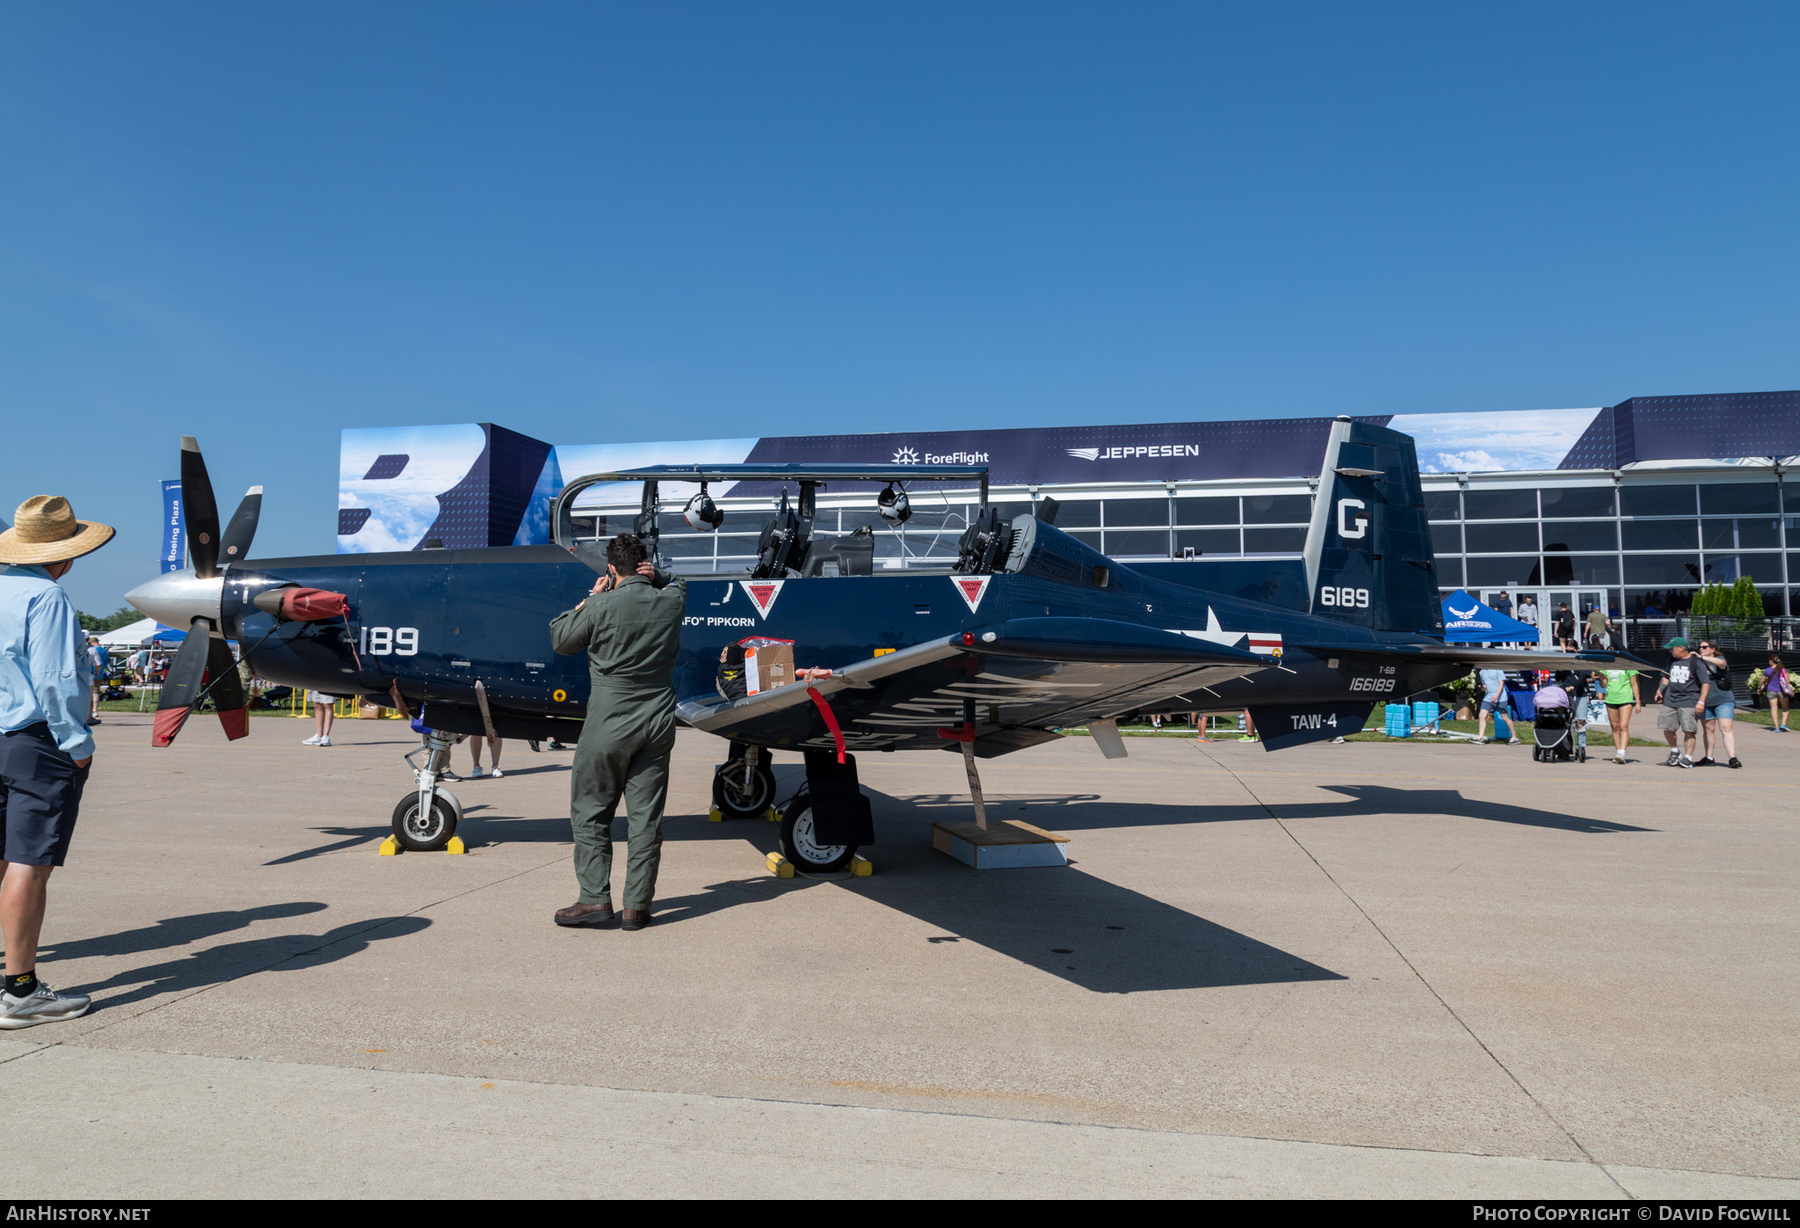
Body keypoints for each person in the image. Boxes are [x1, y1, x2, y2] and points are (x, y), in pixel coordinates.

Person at [0, 494, 115, 1028]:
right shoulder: (46, 597)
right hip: (35, 740)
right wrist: (78, 744)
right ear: (66, 554)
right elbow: (54, 677)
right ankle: (21, 990)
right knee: (29, 861)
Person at [549, 534, 686, 932]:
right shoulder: (670, 600)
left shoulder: (601, 604)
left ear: (611, 569)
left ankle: (594, 900)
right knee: (645, 819)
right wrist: (658, 575)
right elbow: (680, 584)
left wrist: (591, 597)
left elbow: (561, 639)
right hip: (658, 719)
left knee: (591, 811)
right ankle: (637, 907)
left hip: (610, 719)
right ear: (644, 564)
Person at [1652, 637, 1707, 768]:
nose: (1670, 651)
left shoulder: (1696, 662)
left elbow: (1705, 683)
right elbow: (1666, 677)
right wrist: (1660, 691)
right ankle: (1675, 751)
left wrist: (1701, 702)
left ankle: (1688, 757)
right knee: (1667, 727)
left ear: (1681, 648)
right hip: (1671, 700)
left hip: (1689, 700)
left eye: (1672, 648)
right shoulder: (1671, 661)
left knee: (1689, 730)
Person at [1695, 640, 1739, 768]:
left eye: (1704, 647)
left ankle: (1732, 757)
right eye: (1700, 648)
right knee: (1708, 729)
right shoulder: (1698, 663)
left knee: (1726, 727)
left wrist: (1702, 657)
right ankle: (1709, 757)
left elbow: (1722, 664)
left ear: (1712, 649)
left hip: (1723, 699)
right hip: (1705, 700)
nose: (1701, 649)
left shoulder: (1719, 659)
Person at [1600, 666, 1640, 763]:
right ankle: (1618, 751)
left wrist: (1638, 702)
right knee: (1614, 726)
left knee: (1623, 726)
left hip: (1625, 698)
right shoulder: (1605, 667)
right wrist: (1602, 679)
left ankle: (1622, 752)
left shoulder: (1628, 667)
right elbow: (1603, 685)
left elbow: (1634, 684)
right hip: (1611, 698)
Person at [1475, 667, 1518, 744]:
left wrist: (1497, 695)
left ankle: (1514, 737)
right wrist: (1483, 688)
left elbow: (1501, 684)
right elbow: (1484, 686)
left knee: (1505, 717)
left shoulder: (1498, 670)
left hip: (1500, 698)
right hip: (1488, 698)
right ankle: (1480, 738)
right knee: (1482, 715)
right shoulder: (1482, 672)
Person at [1761, 653, 1792, 732]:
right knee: (1785, 708)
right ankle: (1783, 724)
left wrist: (1759, 687)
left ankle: (1776, 727)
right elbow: (1788, 681)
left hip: (1771, 690)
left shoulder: (1767, 670)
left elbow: (1762, 681)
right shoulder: (1784, 670)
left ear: (1771, 661)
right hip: (1782, 690)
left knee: (1774, 709)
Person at [85, 637, 105, 723]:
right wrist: (98, 671)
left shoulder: (73, 647)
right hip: (89, 676)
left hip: (73, 677)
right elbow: (99, 664)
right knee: (93, 695)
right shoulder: (94, 650)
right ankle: (90, 716)